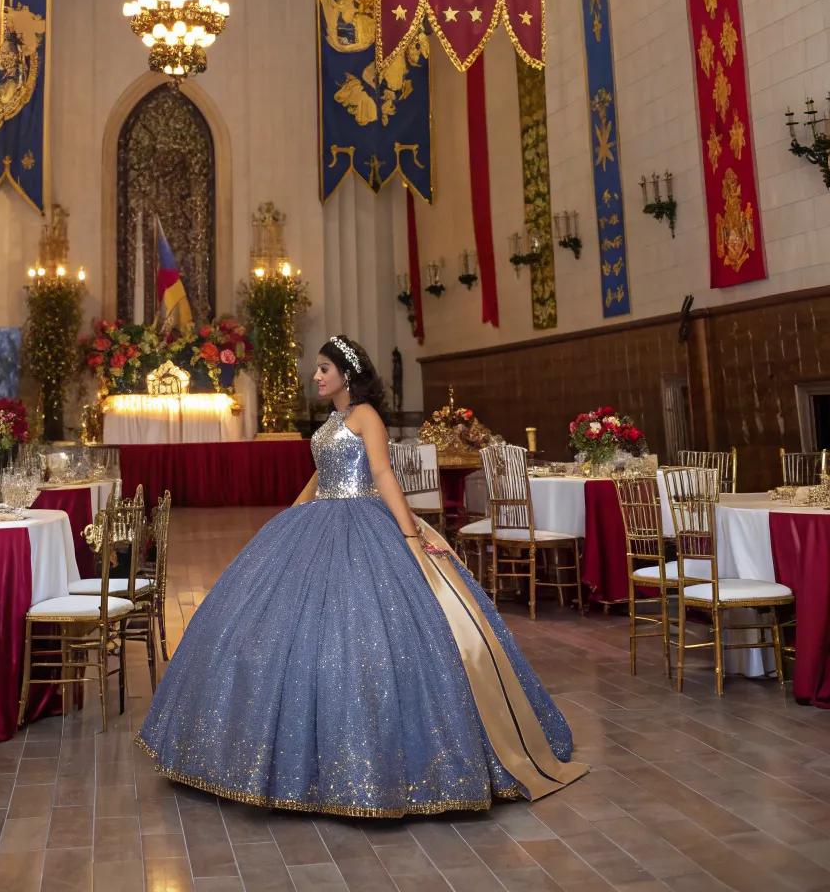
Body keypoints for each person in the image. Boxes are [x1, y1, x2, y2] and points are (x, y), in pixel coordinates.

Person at [139, 335, 585, 817]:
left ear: (346, 374)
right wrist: (287, 520)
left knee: (370, 628)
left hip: (363, 521)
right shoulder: (332, 420)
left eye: (324, 368)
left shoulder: (366, 416)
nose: (317, 376)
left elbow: (382, 474)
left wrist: (412, 537)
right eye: (317, 369)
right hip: (318, 519)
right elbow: (319, 475)